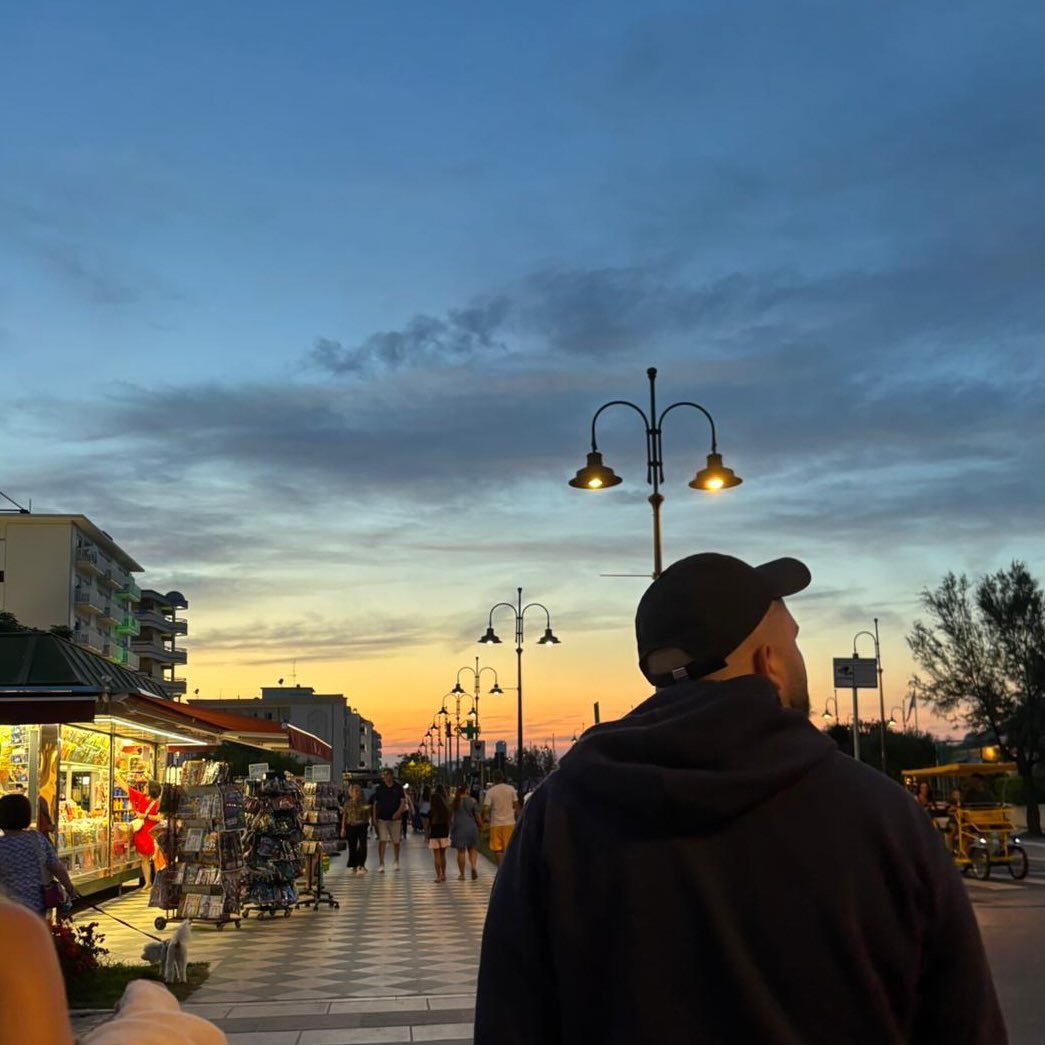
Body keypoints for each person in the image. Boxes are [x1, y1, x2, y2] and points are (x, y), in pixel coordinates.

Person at [475, 552, 1006, 1044]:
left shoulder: (561, 812)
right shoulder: (882, 815)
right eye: (794, 640)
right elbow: (964, 1024)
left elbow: (510, 1020)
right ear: (767, 661)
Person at [0, 793, 79, 915]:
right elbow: (56, 867)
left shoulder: (2, 845)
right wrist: (70, 889)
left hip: (7, 908)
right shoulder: (36, 838)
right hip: (37, 904)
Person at [114, 771, 164, 888]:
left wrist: (145, 816)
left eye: (147, 786)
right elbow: (127, 789)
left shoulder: (158, 802)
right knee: (143, 857)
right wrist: (117, 776)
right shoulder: (141, 797)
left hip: (152, 832)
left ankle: (158, 882)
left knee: (155, 857)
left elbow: (160, 818)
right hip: (141, 831)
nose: (144, 788)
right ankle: (147, 882)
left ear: (152, 789)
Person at [370, 768, 407, 872]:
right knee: (382, 840)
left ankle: (396, 860)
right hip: (382, 818)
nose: (385, 777)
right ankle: (381, 863)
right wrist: (374, 817)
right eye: (383, 775)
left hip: (395, 819)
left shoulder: (398, 787)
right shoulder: (380, 788)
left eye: (387, 775)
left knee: (396, 841)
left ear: (391, 775)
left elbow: (403, 802)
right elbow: (375, 804)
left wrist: (398, 813)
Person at [481, 770, 519, 866]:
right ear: (503, 778)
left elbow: (486, 808)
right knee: (508, 847)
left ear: (493, 779)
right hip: (509, 823)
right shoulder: (511, 789)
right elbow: (516, 805)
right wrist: (519, 818)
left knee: (498, 849)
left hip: (496, 824)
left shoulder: (491, 792)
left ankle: (500, 867)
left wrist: (485, 818)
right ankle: (508, 867)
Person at [450, 784, 484, 880]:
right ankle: (473, 867)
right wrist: (481, 825)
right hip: (471, 827)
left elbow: (451, 817)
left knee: (461, 852)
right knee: (472, 849)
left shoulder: (455, 802)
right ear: (467, 790)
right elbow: (477, 816)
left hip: (459, 828)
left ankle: (462, 874)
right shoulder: (473, 801)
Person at [342, 783, 371, 875]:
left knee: (363, 845)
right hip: (351, 826)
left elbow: (368, 813)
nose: (358, 793)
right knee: (352, 846)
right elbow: (344, 816)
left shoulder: (364, 802)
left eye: (359, 791)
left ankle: (361, 864)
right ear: (351, 793)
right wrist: (343, 829)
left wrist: (366, 821)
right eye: (356, 791)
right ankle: (354, 864)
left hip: (362, 826)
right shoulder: (347, 803)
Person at [427, 784, 452, 882]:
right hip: (444, 834)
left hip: (434, 834)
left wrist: (427, 836)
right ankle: (444, 874)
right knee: (443, 855)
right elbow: (449, 823)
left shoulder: (431, 812)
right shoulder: (446, 811)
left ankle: (438, 876)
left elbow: (429, 825)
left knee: (436, 856)